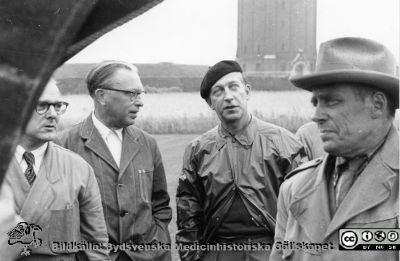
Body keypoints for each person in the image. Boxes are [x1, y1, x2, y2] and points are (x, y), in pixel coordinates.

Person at [270, 37, 399, 261]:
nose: (316, 116)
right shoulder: (294, 189)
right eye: (316, 102)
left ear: (377, 105)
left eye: (332, 101)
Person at [176, 60, 305, 261]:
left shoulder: (283, 142)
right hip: (217, 251)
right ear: (210, 102)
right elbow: (188, 213)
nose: (228, 97)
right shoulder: (198, 150)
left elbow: (303, 209)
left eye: (233, 87)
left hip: (271, 251)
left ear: (247, 92)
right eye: (218, 91)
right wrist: (191, 257)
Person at [56, 61, 172, 261]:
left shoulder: (148, 143)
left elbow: (160, 204)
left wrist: (158, 246)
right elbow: (57, 215)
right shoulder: (64, 145)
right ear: (102, 96)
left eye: (140, 94)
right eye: (131, 94)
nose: (140, 102)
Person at [3, 79, 110, 260]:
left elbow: (96, 245)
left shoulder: (78, 168)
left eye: (58, 105)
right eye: (42, 105)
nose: (53, 114)